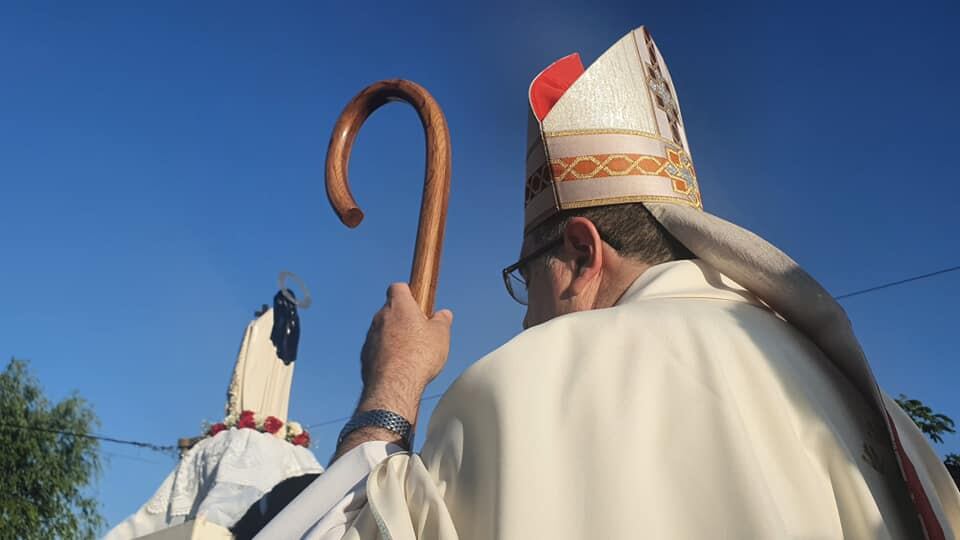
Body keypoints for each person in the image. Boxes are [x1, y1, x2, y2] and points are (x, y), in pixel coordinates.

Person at [258, 27, 960, 539]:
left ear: (581, 250)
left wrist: (393, 386)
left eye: (523, 278)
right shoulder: (847, 399)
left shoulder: (521, 389)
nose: (528, 321)